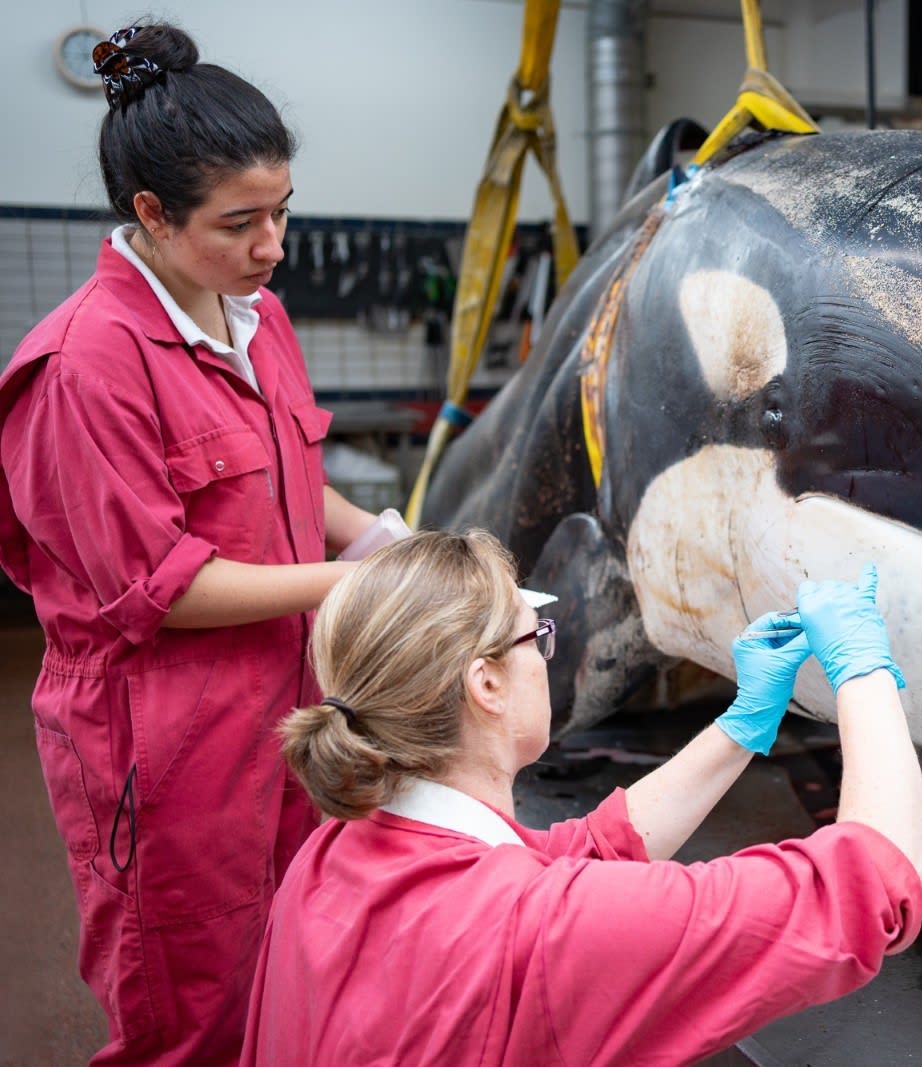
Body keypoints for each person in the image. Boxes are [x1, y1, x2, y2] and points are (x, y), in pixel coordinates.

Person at [0, 22, 399, 1065]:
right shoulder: (87, 365)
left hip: (285, 698)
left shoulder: (255, 318)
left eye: (282, 212)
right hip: (162, 734)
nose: (272, 245)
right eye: (240, 222)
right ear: (151, 214)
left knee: (296, 951)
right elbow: (159, 588)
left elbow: (288, 486)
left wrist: (398, 538)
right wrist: (365, 585)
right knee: (191, 995)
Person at [242, 530, 922, 1066]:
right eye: (535, 633)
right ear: (485, 684)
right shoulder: (531, 929)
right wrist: (863, 671)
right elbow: (874, 887)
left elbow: (588, 854)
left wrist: (741, 725)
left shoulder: (332, 854)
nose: (547, 651)